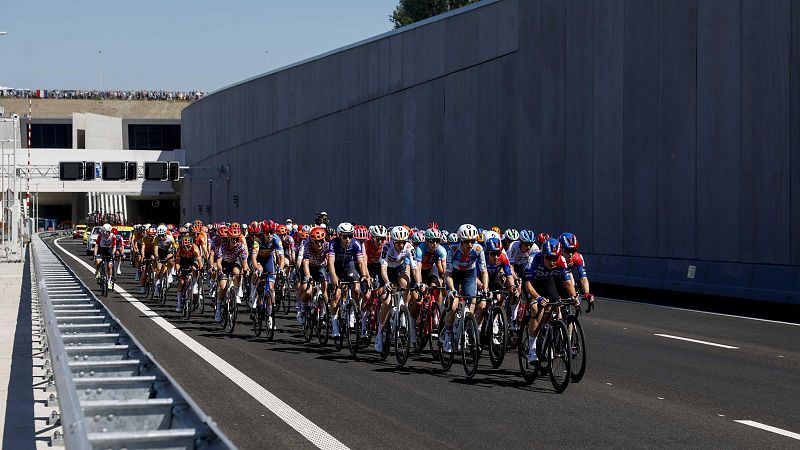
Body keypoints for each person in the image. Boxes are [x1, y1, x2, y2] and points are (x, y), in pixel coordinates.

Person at [522, 238, 578, 363]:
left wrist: (574, 298)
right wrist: (538, 297)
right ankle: (532, 349)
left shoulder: (561, 260)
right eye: (549, 258)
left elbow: (567, 283)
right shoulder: (534, 259)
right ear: (543, 255)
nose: (552, 262)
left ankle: (546, 331)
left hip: (548, 282)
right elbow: (528, 286)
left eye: (555, 258)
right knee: (536, 309)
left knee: (555, 304)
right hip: (533, 284)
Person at [442, 224, 488, 353]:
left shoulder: (479, 249)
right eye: (467, 241)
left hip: (469, 274)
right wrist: (452, 289)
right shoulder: (453, 249)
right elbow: (448, 274)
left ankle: (468, 323)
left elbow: (484, 272)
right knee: (454, 304)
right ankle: (448, 336)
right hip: (454, 275)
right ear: (461, 241)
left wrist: (485, 288)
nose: (469, 244)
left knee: (472, 300)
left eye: (472, 241)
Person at [374, 226, 421, 353]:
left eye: (403, 242)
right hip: (386, 270)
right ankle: (379, 333)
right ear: (393, 241)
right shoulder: (387, 247)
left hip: (399, 268)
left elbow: (415, 267)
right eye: (398, 242)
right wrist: (387, 282)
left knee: (406, 284)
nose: (401, 245)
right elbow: (383, 269)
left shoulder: (409, 247)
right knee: (387, 301)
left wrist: (419, 283)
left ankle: (403, 309)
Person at [326, 223, 369, 338]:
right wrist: (334, 277)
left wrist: (364, 275)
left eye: (350, 236)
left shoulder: (356, 243)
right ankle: (335, 326)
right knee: (337, 294)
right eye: (345, 236)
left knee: (356, 287)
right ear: (339, 235)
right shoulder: (333, 243)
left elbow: (361, 262)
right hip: (336, 267)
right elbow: (330, 263)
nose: (348, 239)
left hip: (349, 266)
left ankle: (351, 313)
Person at [214, 223, 250, 322]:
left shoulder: (241, 246)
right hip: (225, 264)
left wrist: (246, 270)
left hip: (235, 262)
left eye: (236, 239)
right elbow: (219, 261)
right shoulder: (223, 245)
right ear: (228, 239)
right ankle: (218, 309)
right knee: (222, 286)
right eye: (232, 239)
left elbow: (244, 261)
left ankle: (236, 292)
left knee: (237, 273)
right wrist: (220, 269)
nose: (235, 241)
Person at [299, 227, 330, 324]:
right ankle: (303, 311)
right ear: (312, 242)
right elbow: (305, 263)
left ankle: (323, 312)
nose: (319, 244)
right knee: (308, 292)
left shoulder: (326, 245)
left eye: (321, 241)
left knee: (325, 285)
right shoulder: (307, 246)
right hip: (309, 267)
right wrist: (308, 277)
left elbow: (329, 259)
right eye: (316, 242)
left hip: (320, 266)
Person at [559, 232, 594, 310]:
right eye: (568, 251)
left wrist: (586, 293)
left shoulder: (578, 257)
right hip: (553, 278)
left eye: (573, 250)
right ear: (561, 249)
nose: (571, 254)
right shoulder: (555, 259)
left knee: (571, 285)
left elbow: (583, 278)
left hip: (567, 275)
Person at [175, 235, 202, 312]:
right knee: (181, 282)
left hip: (192, 260)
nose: (186, 249)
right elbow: (177, 262)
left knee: (195, 268)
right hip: (183, 261)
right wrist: (178, 271)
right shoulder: (179, 250)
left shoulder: (195, 248)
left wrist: (201, 269)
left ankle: (195, 284)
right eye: (184, 247)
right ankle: (179, 303)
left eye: (188, 247)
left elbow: (199, 261)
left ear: (191, 245)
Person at [93, 223, 118, 290]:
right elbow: (96, 246)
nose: (107, 234)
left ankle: (109, 280)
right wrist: (95, 255)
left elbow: (114, 247)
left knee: (109, 266)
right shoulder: (100, 236)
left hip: (109, 250)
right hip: (101, 249)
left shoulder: (113, 237)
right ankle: (97, 271)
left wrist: (112, 254)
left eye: (108, 232)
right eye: (106, 232)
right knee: (98, 261)